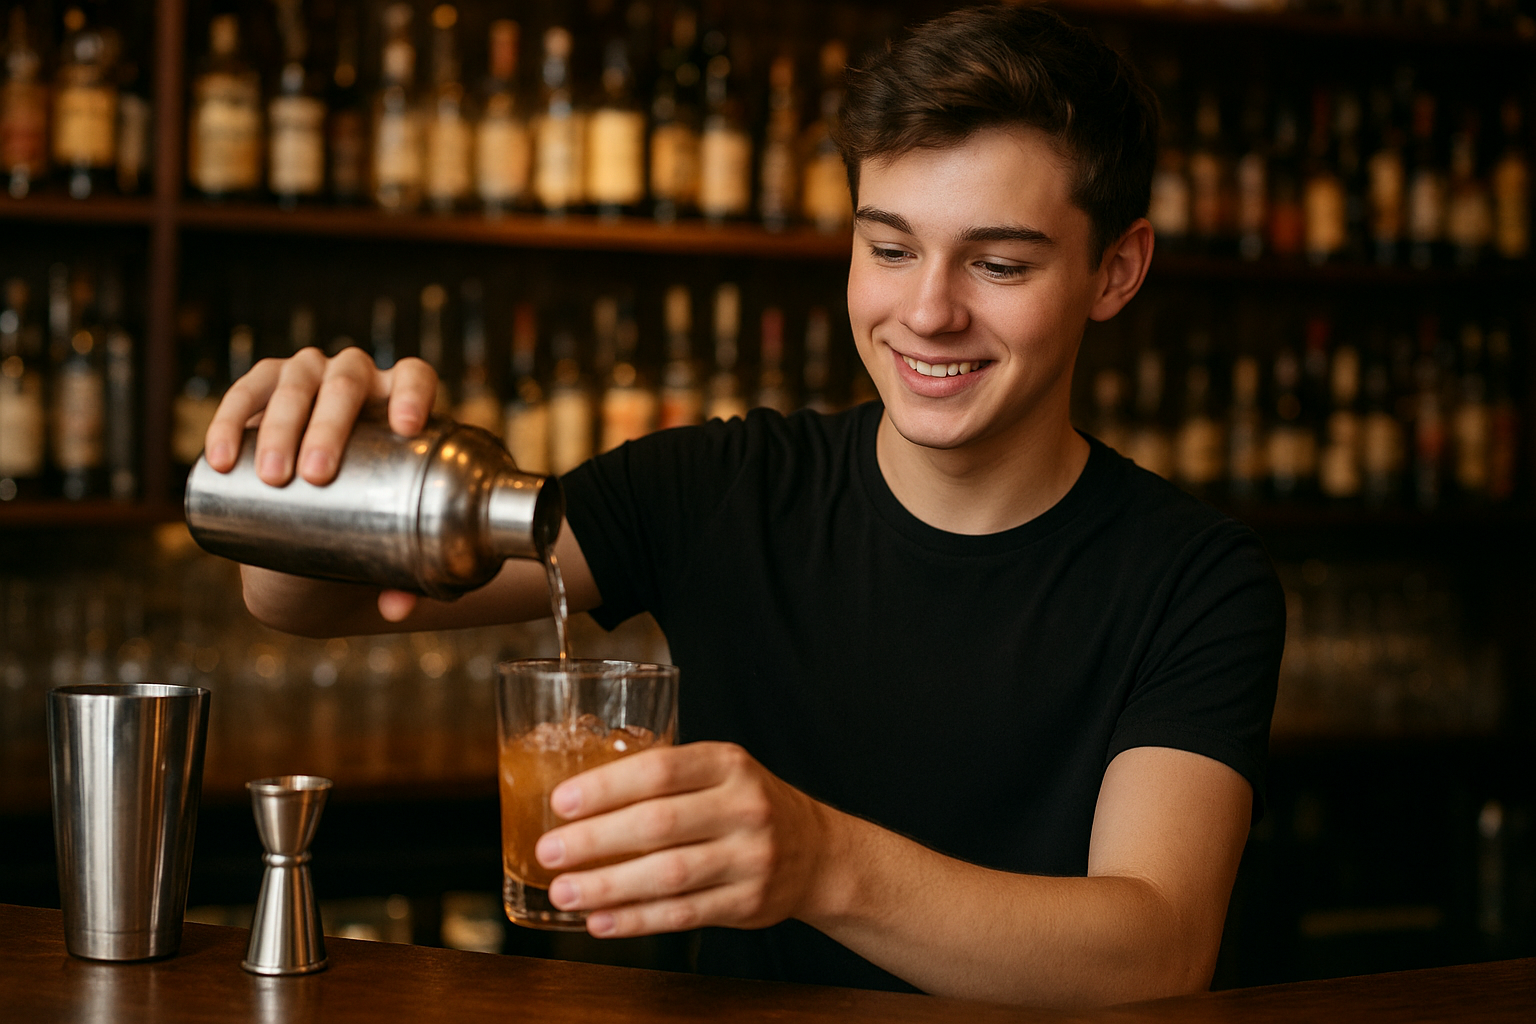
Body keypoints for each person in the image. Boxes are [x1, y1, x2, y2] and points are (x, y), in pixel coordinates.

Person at [203, 5, 1284, 1009]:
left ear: (1117, 270)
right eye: (889, 246)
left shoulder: (1193, 578)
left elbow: (1158, 942)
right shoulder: (723, 489)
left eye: (998, 263)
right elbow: (307, 605)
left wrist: (818, 859)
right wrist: (298, 472)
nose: (926, 311)